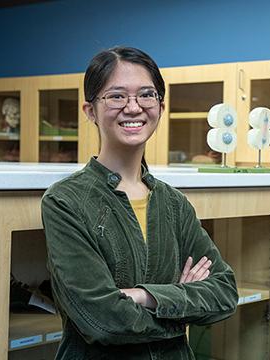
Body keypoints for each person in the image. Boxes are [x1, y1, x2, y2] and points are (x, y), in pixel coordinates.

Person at [41, 46, 238, 359]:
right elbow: (103, 320)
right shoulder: (65, 201)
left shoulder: (175, 204)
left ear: (160, 106)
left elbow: (225, 293)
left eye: (146, 95)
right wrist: (181, 304)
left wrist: (143, 296)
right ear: (90, 110)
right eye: (116, 96)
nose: (133, 108)